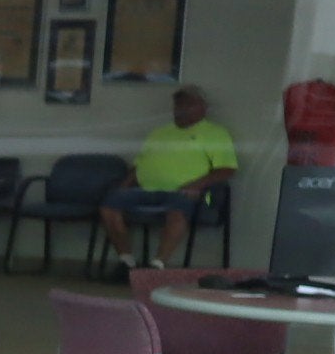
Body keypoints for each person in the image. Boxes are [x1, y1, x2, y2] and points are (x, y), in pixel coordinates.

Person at [102, 84, 238, 268]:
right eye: (178, 105)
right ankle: (126, 261)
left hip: (188, 194)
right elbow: (139, 165)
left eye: (187, 105)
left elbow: (226, 170)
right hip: (146, 190)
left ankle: (158, 265)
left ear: (202, 107)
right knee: (110, 204)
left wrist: (196, 185)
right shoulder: (158, 133)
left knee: (178, 208)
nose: (181, 109)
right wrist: (124, 185)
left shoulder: (215, 133)